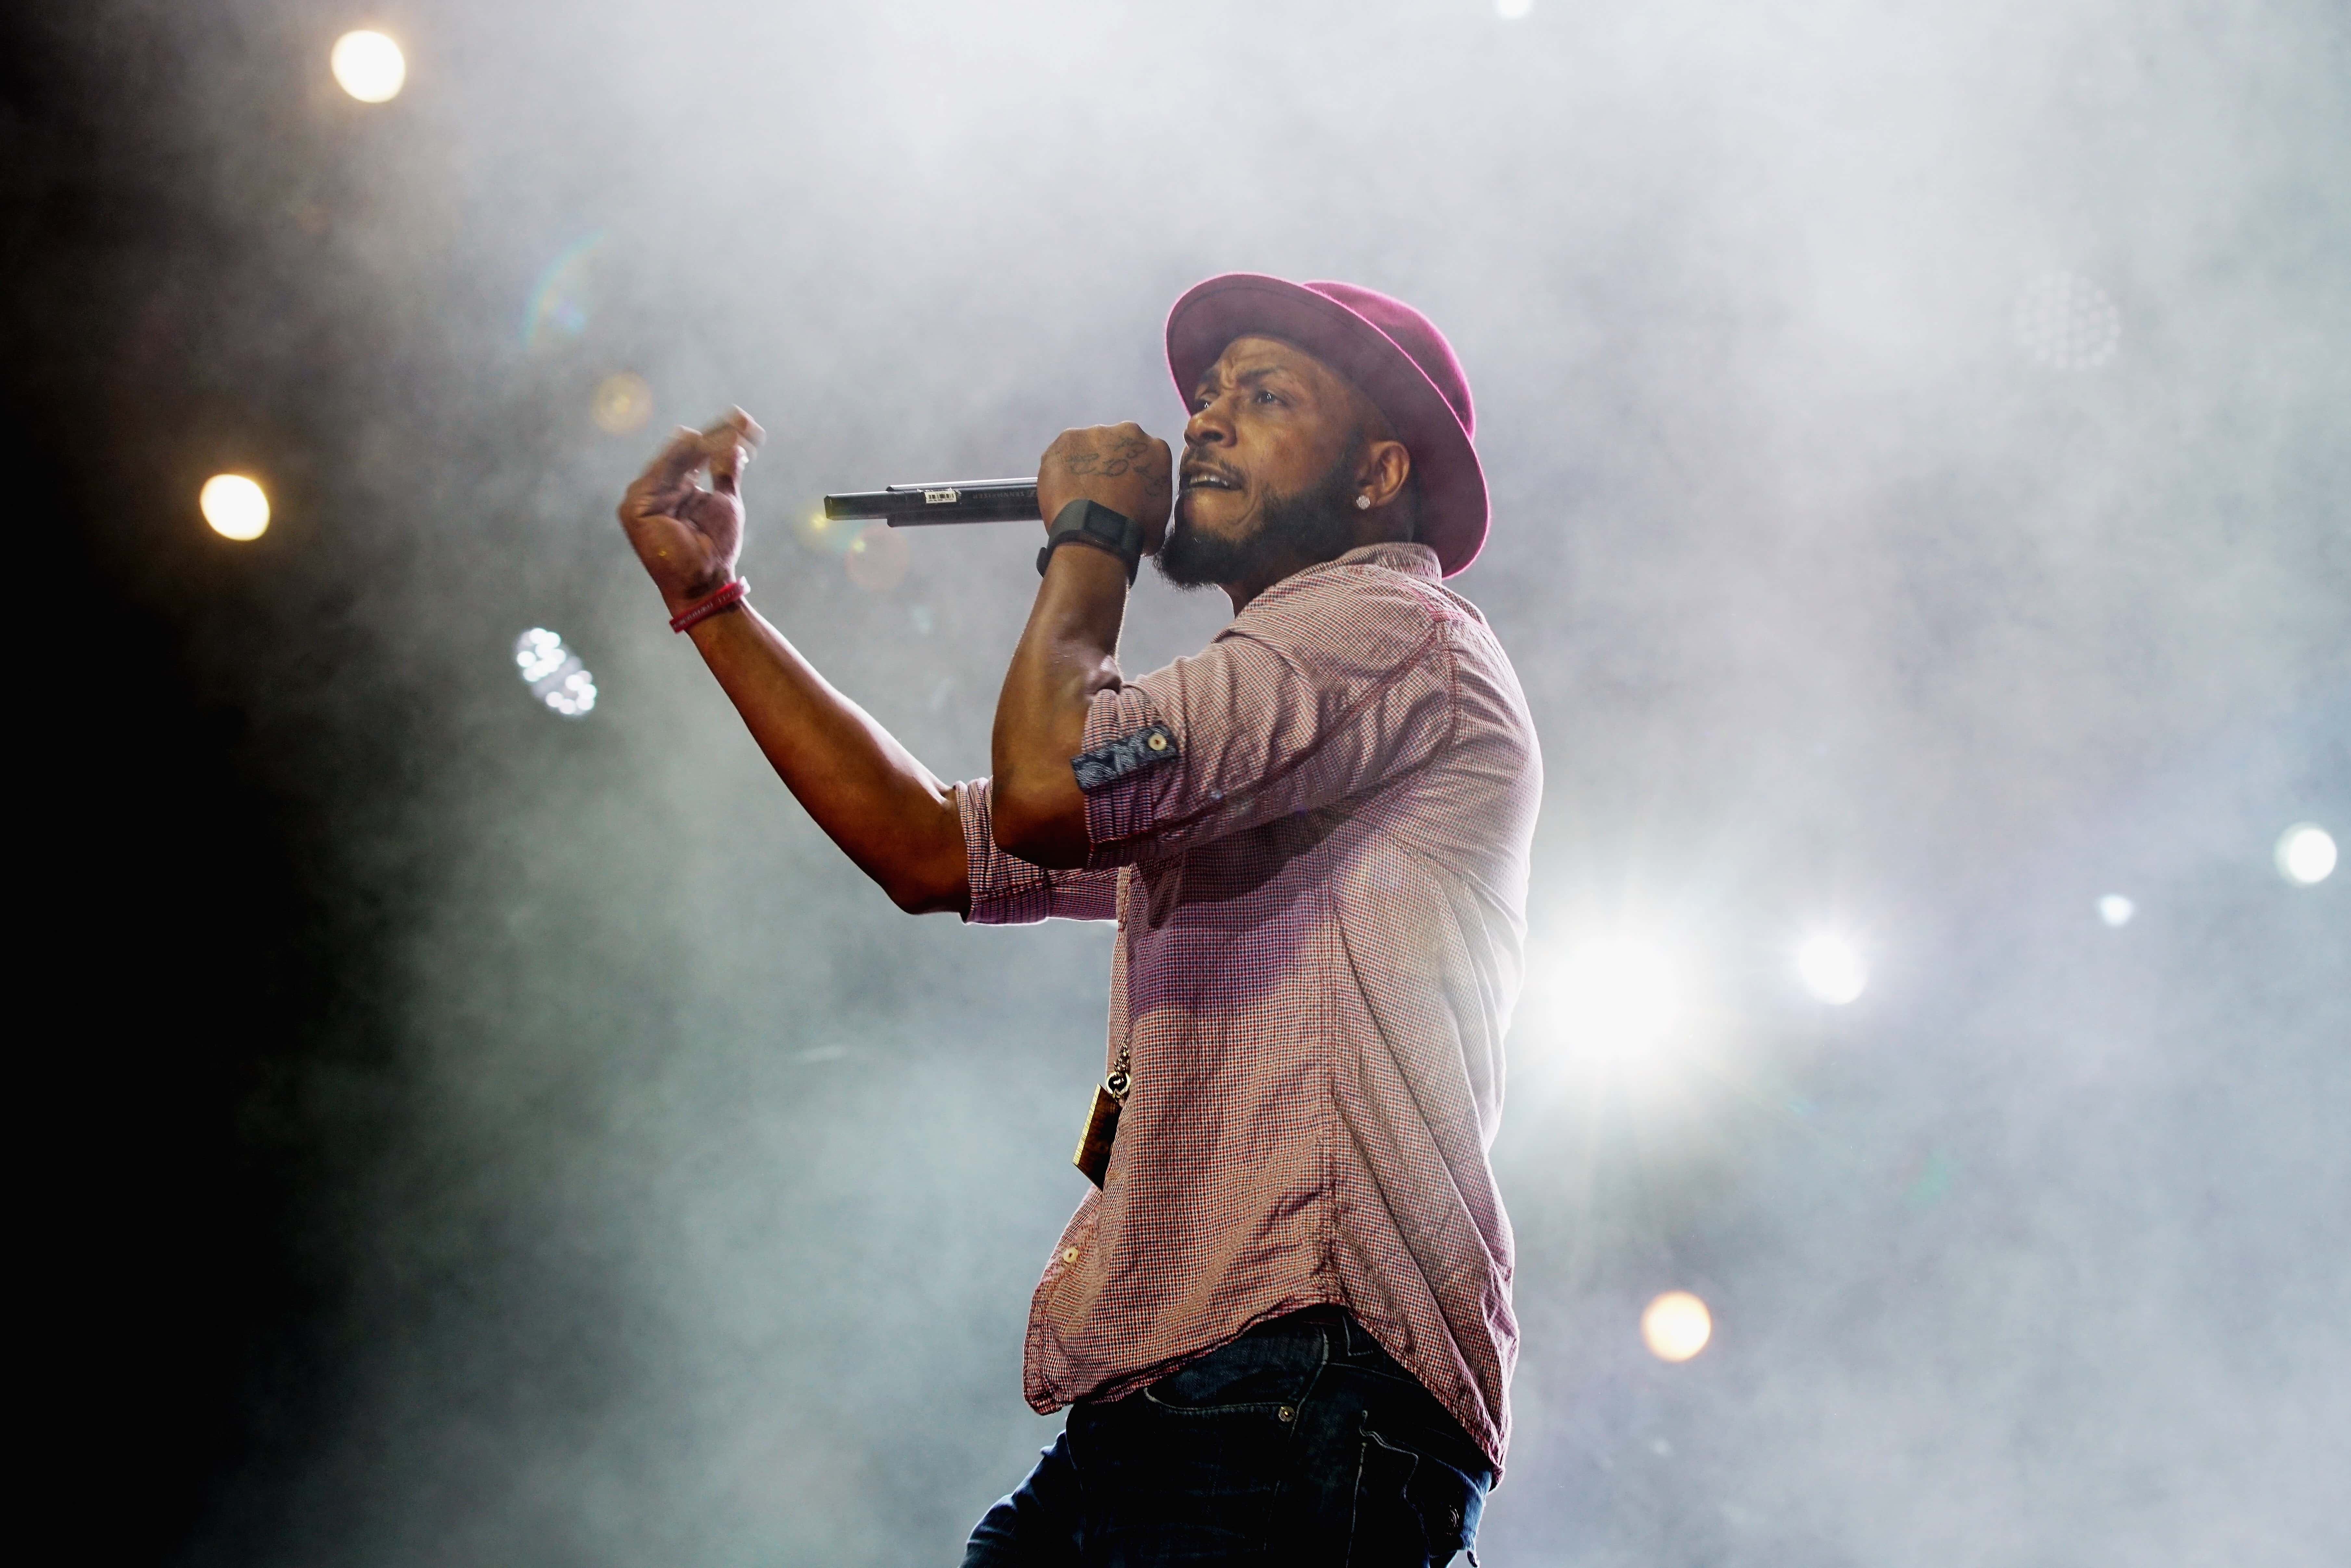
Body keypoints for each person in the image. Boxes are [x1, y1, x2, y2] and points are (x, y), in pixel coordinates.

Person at [616, 274, 1540, 1566]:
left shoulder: (1385, 628)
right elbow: (930, 846)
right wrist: (713, 602)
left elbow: (1052, 790)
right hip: (1184, 1393)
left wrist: (1094, 536)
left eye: (1265, 396)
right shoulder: (1265, 716)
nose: (1204, 421)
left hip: (1297, 1376)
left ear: (1379, 472)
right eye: (1205, 396)